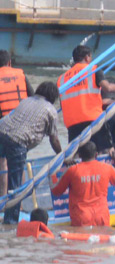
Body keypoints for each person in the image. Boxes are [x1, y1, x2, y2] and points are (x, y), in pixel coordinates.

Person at [0, 81, 62, 223]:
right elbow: (54, 140)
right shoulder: (51, 110)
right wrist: (61, 155)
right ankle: (10, 223)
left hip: (1, 132)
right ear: (53, 97)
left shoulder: (26, 100)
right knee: (15, 187)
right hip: (18, 142)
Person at [57, 44, 115, 155]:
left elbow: (65, 104)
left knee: (79, 155)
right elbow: (108, 87)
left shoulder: (61, 79)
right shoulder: (93, 69)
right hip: (93, 120)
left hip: (72, 124)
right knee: (106, 151)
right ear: (87, 57)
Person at [49, 140, 115, 227]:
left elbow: (56, 190)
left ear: (79, 155)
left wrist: (52, 172)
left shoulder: (72, 171)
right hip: (102, 216)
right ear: (96, 155)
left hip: (81, 217)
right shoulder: (106, 168)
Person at [0, 49, 31, 118]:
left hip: (3, 122)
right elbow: (33, 96)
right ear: (9, 63)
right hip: (22, 119)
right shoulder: (20, 74)